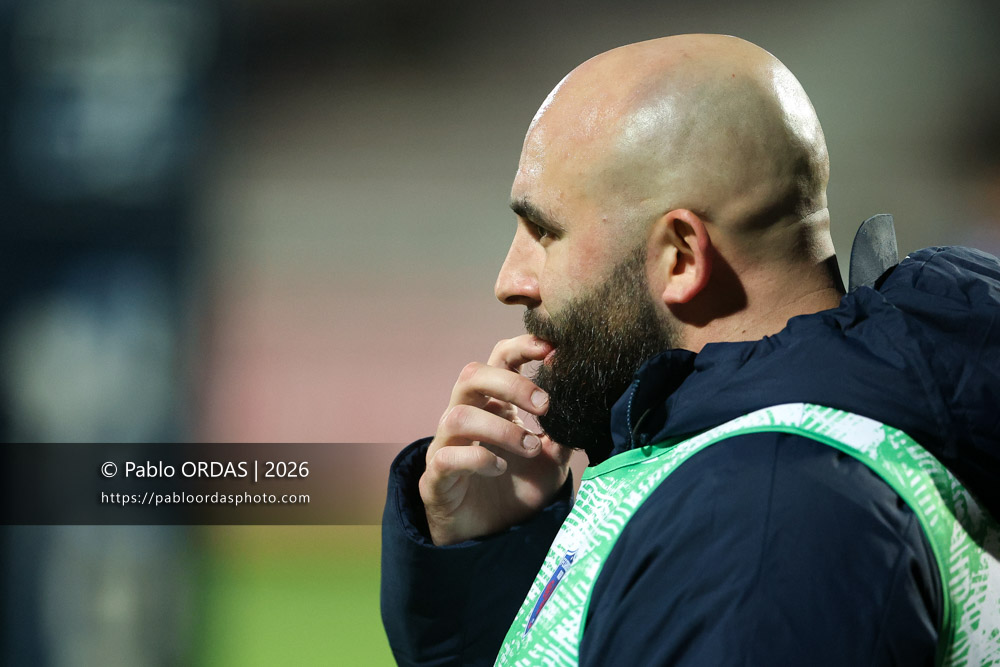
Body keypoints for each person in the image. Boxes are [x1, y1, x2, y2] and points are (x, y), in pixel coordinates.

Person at [381, 34, 1000, 665]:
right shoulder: (753, 466)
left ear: (681, 256)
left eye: (544, 231)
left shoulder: (761, 524)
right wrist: (492, 558)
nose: (510, 279)